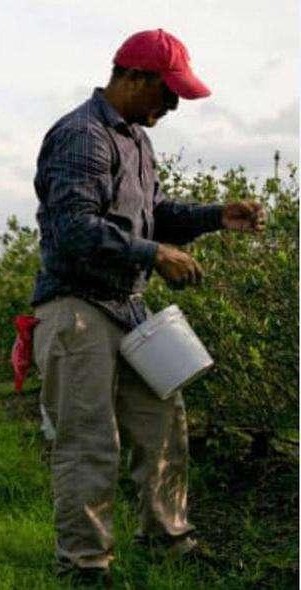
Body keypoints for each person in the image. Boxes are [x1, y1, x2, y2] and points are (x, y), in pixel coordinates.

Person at [31, 29, 265, 584]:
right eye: (168, 93)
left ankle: (169, 543)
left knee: (164, 428)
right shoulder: (83, 136)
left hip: (126, 308)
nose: (173, 106)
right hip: (77, 310)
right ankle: (85, 566)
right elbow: (71, 230)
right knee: (89, 444)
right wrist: (154, 253)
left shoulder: (135, 138)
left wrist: (214, 216)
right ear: (134, 78)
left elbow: (153, 211)